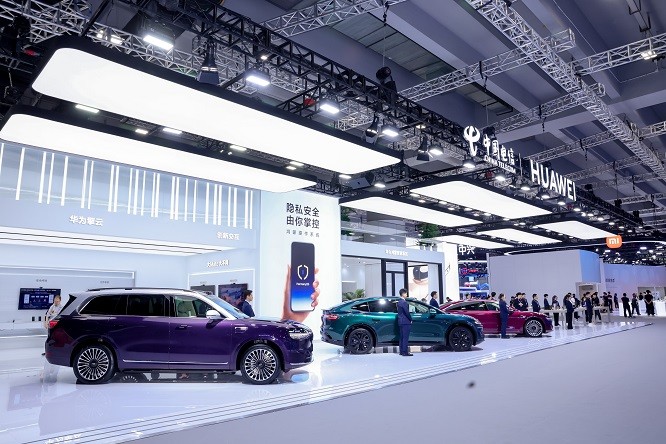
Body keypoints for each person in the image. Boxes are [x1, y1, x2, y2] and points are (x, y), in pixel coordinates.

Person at [397, 289, 413, 356]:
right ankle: (405, 352)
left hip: (400, 321)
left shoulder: (399, 302)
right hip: (405, 321)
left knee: (401, 337)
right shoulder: (404, 302)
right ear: (403, 294)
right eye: (406, 293)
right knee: (405, 338)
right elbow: (407, 312)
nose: (406, 295)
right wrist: (410, 319)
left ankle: (401, 351)